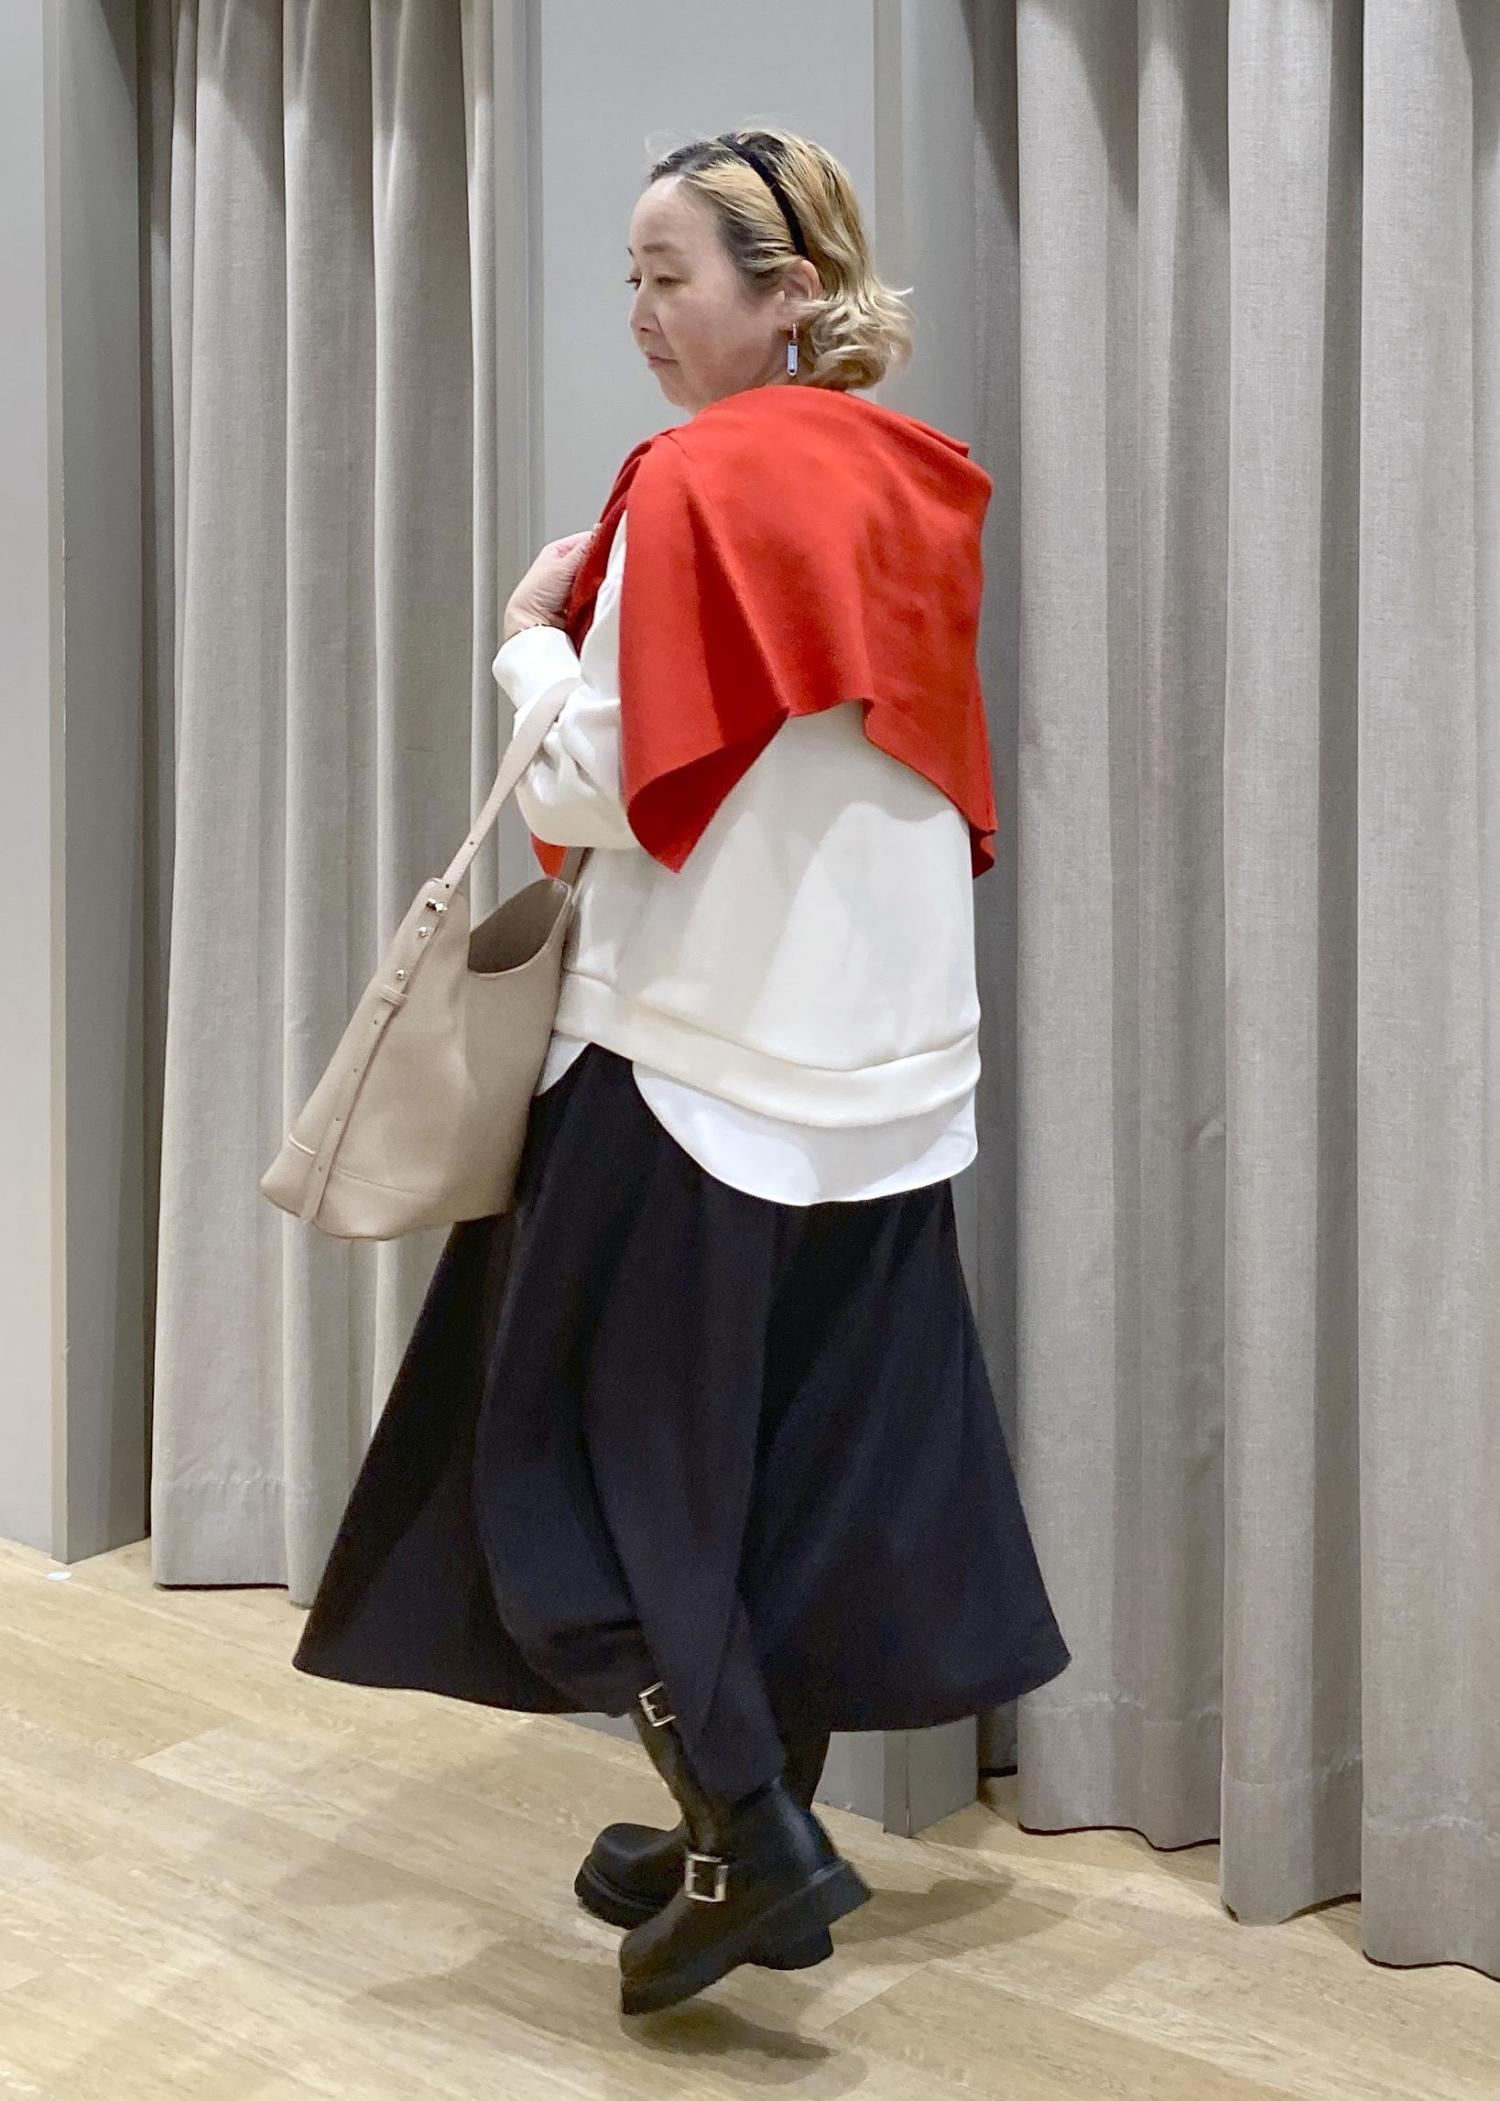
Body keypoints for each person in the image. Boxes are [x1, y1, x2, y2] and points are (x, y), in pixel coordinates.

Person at [291, 124, 1072, 2019]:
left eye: (671, 277)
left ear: (786, 290)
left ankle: (747, 1827)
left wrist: (527, 640)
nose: (641, 313)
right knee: (792, 1465)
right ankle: (742, 1819)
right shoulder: (917, 480)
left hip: (689, 1061)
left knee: (563, 1453)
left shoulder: (695, 480)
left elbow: (593, 787)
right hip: (881, 1071)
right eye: (630, 279)